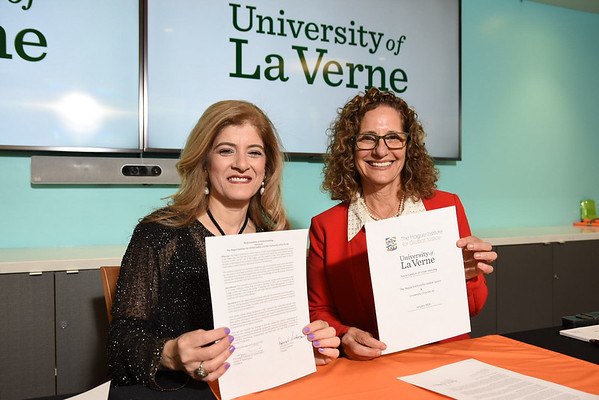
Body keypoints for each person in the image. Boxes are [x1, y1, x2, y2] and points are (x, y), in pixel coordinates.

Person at [107, 100, 340, 390]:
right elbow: (120, 343)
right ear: (204, 162)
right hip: (180, 391)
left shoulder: (274, 240)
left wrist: (306, 345)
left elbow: (275, 337)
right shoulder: (158, 234)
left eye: (254, 153)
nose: (242, 164)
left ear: (266, 168)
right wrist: (170, 354)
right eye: (226, 150)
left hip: (259, 389)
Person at [307, 88, 497, 361]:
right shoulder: (326, 226)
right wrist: (344, 333)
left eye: (393, 138)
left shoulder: (446, 207)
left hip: (447, 359)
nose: (381, 150)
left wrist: (468, 274)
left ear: (409, 146)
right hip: (373, 367)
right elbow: (319, 310)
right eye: (368, 138)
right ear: (350, 147)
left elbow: (474, 306)